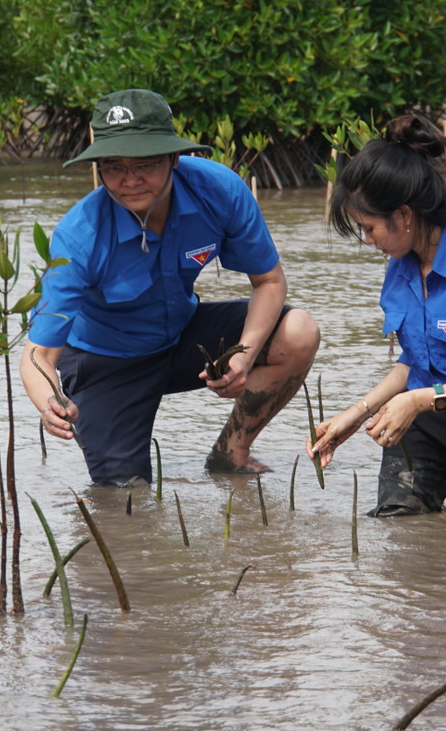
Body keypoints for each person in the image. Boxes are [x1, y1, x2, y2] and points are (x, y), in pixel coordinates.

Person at [20, 88, 320, 487]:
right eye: (113, 166)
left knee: (298, 332)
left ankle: (232, 453)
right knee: (125, 500)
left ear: (174, 158)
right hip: (105, 360)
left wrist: (242, 358)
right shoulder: (80, 236)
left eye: (145, 164)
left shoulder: (220, 192)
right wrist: (49, 401)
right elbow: (37, 355)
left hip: (182, 337)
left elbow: (269, 282)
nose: (129, 180)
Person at [306, 115, 446, 517]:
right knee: (398, 530)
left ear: (405, 216)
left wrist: (421, 399)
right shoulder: (399, 267)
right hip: (423, 423)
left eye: (370, 228)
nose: (367, 240)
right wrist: (355, 415)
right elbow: (414, 362)